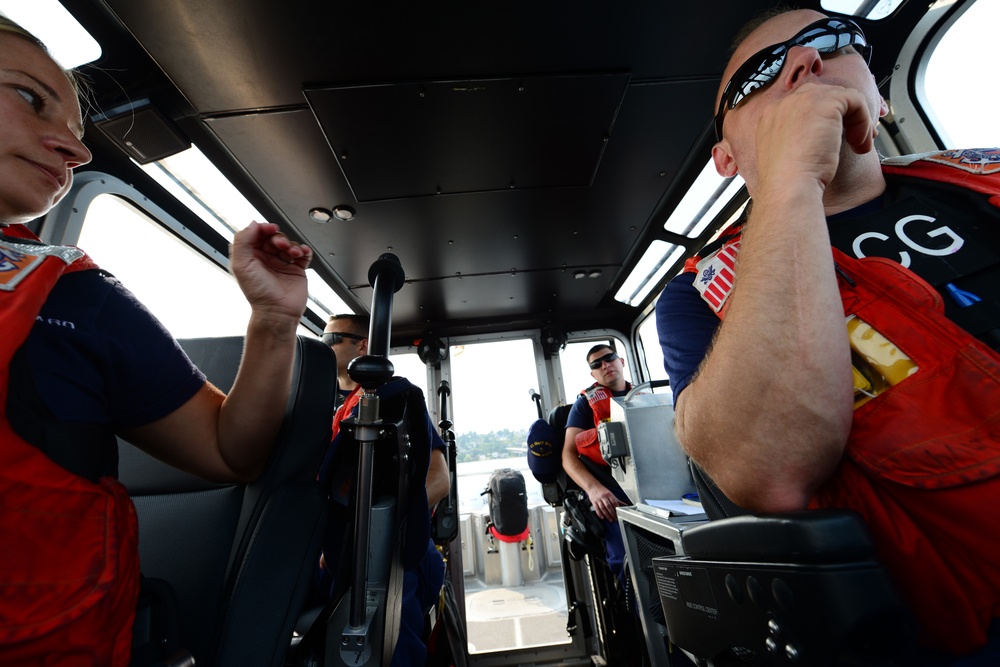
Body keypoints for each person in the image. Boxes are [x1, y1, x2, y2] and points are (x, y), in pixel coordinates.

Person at [655, 7, 1000, 661]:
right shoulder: (702, 294)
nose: (806, 61)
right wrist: (792, 183)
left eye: (834, 41)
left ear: (879, 96)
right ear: (726, 158)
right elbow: (764, 468)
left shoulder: (982, 175)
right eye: (760, 74)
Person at [0, 14, 314, 667]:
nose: (76, 151)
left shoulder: (79, 301)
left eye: (79, 132)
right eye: (30, 99)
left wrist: (273, 319)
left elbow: (231, 451)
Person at [316, 313, 450, 666]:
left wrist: (378, 534)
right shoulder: (308, 402)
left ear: (362, 346)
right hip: (318, 547)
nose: (323, 345)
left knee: (392, 619)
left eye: (331, 339)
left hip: (386, 549)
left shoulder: (396, 402)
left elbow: (438, 478)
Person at [561, 344, 632, 581]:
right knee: (626, 560)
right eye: (596, 364)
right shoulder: (585, 405)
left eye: (609, 358)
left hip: (653, 486)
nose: (605, 365)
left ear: (621, 361)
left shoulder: (644, 396)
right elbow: (568, 456)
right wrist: (594, 490)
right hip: (611, 491)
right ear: (593, 375)